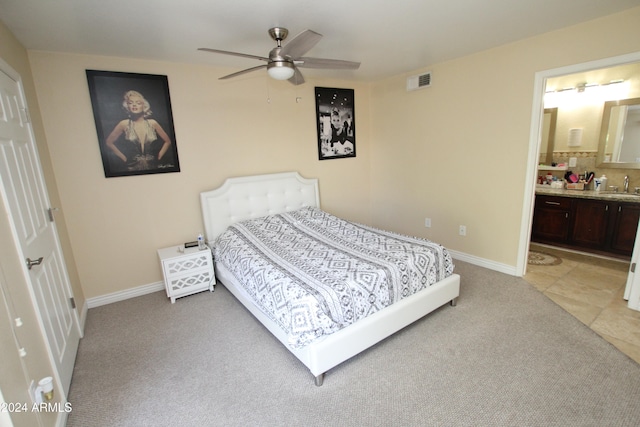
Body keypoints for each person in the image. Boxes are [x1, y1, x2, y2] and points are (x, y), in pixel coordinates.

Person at [105, 90, 172, 171]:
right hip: (131, 167)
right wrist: (124, 159)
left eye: (138, 103)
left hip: (153, 166)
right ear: (127, 106)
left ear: (144, 106)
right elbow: (109, 142)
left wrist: (159, 156)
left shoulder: (152, 123)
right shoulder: (124, 124)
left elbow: (168, 141)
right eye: (130, 103)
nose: (134, 105)